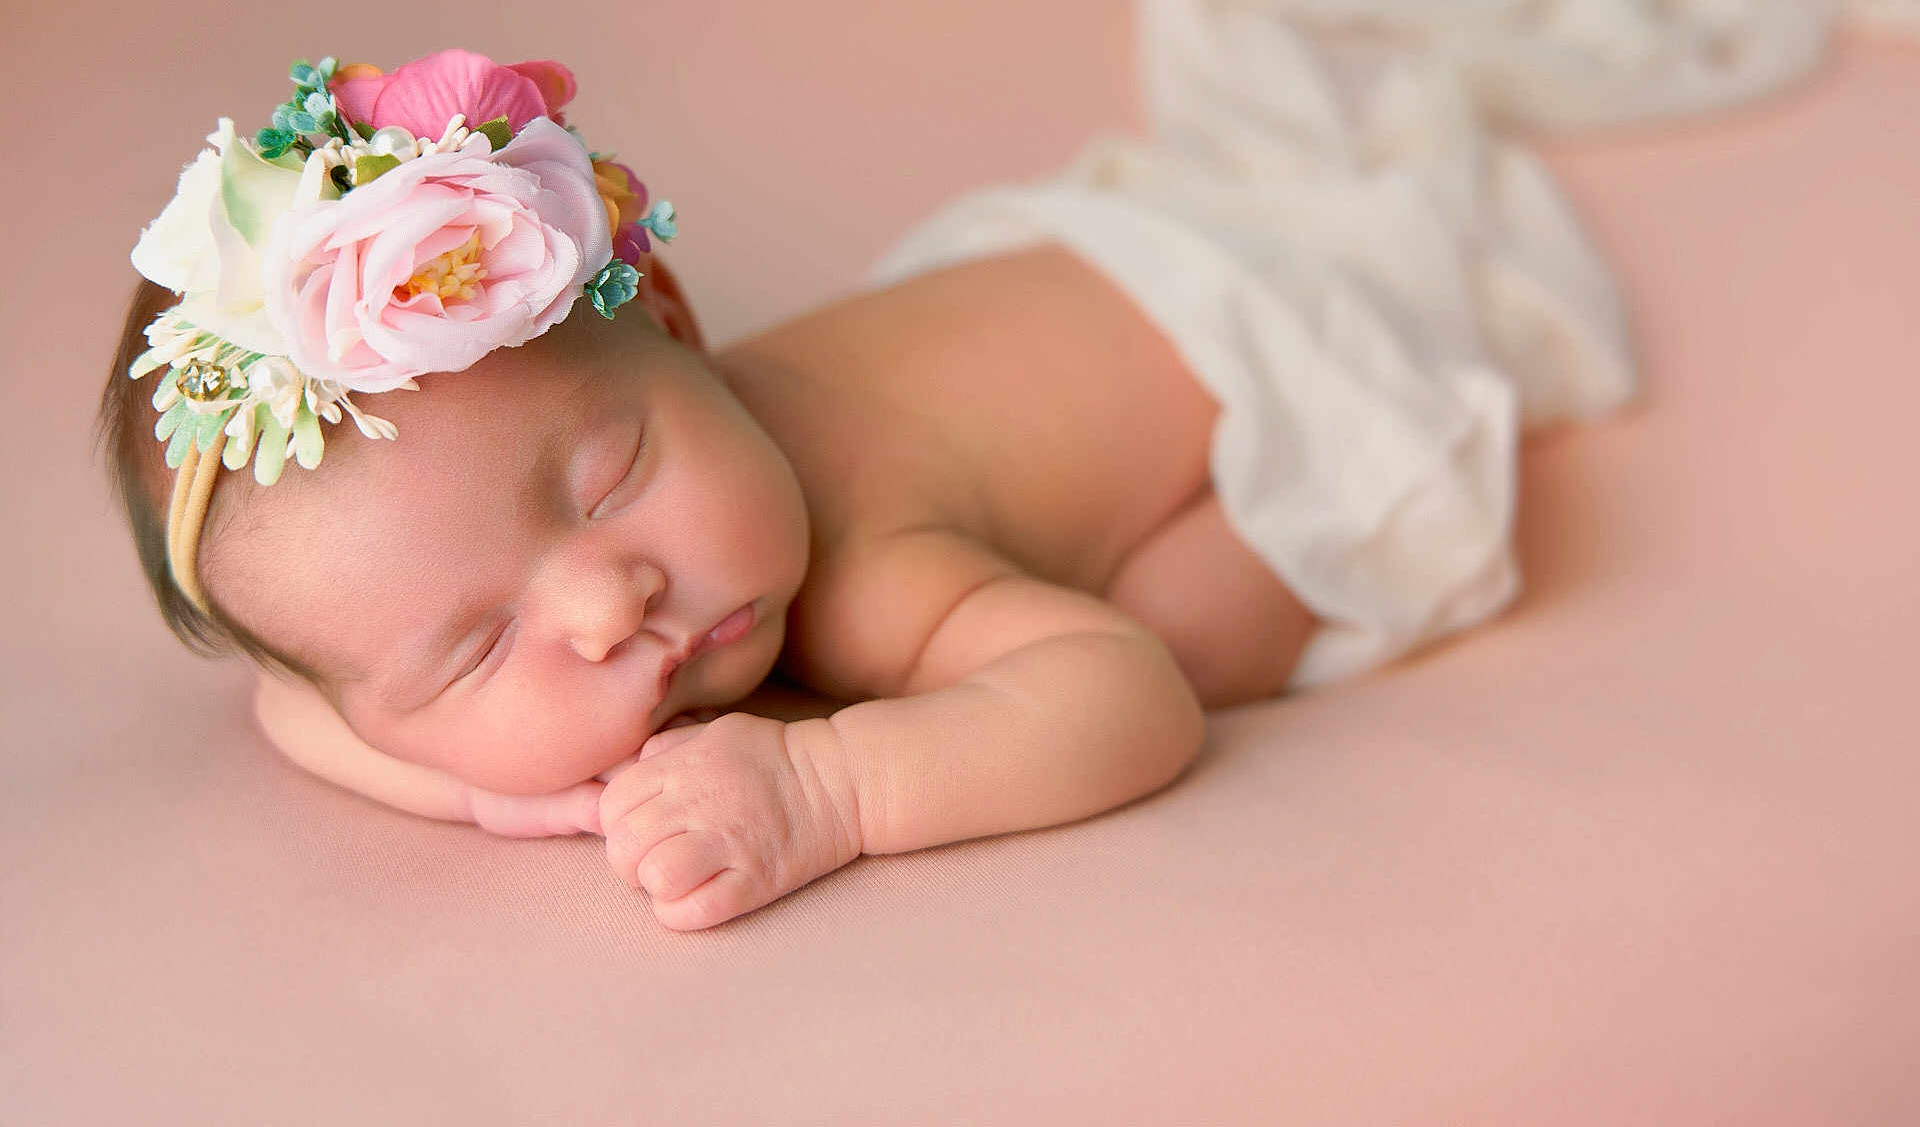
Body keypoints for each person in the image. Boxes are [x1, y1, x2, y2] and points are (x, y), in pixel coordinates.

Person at [99, 45, 1522, 934]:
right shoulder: (379, 627)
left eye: (612, 482)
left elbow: (1125, 701)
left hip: (1265, 352)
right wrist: (493, 799)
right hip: (1073, 309)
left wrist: (828, 786)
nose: (607, 603)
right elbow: (291, 701)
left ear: (670, 324)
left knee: (1174, 639)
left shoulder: (865, 563)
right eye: (474, 648)